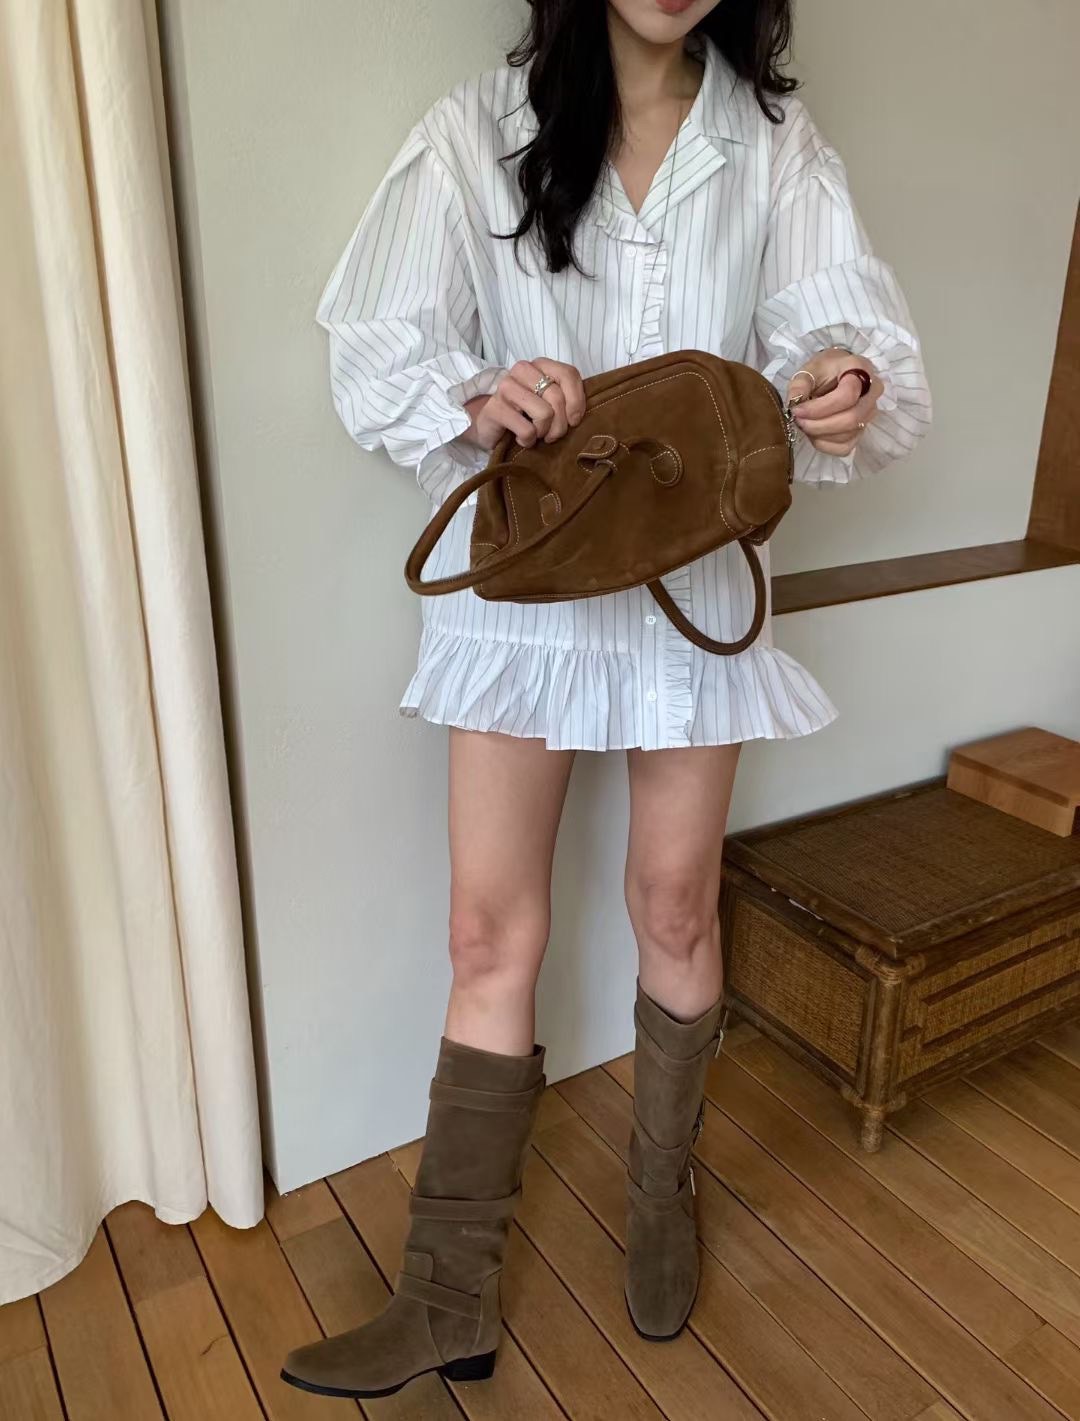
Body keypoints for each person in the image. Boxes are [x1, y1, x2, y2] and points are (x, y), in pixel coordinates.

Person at [284, 0, 931, 1399]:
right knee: (485, 930)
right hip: (529, 588)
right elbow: (374, 342)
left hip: (692, 587)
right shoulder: (477, 132)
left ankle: (659, 1197)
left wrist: (840, 383)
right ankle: (445, 1293)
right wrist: (481, 397)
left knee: (676, 906)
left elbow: (845, 341)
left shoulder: (773, 149)